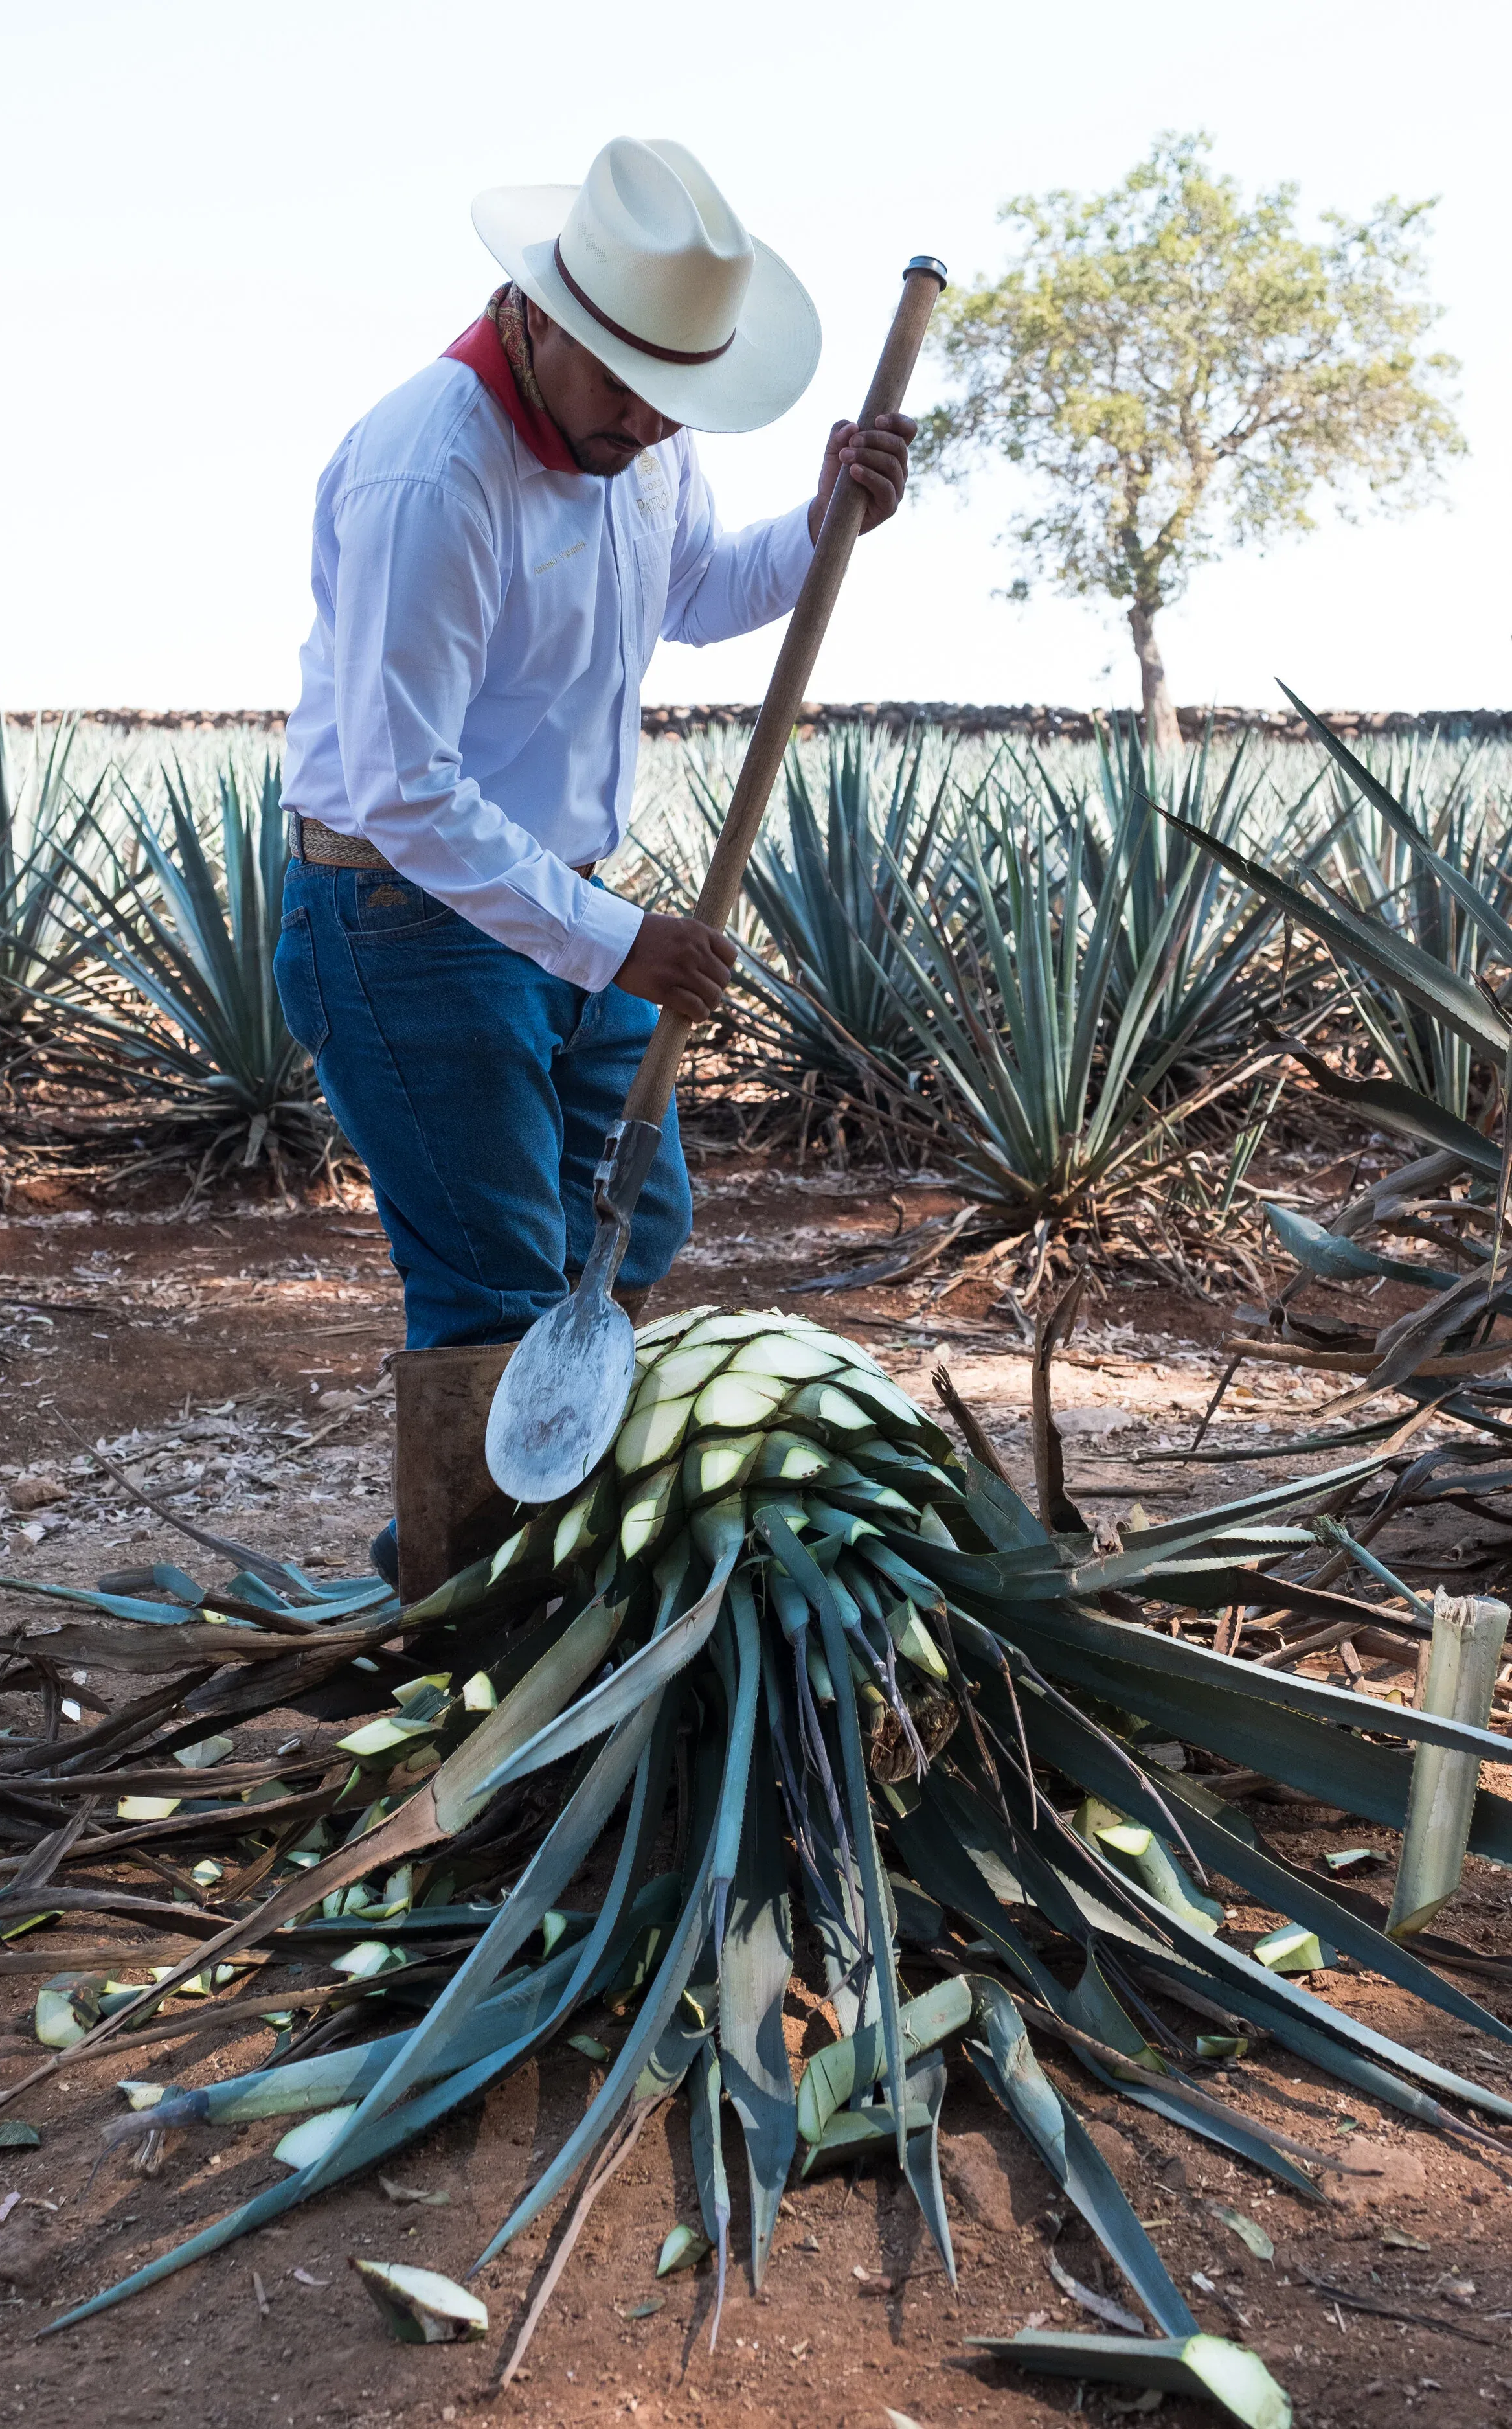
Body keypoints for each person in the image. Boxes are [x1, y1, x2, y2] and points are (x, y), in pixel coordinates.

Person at [275, 136, 915, 1597]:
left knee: (637, 1222)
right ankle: (458, 1615)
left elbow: (689, 594)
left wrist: (822, 521)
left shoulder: (645, 439)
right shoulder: (431, 473)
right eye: (623, 383)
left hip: (559, 910)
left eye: (674, 396)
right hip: (401, 915)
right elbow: (404, 788)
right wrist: (616, 941)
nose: (643, 419)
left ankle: (523, 1557)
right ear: (540, 315)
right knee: (497, 1287)